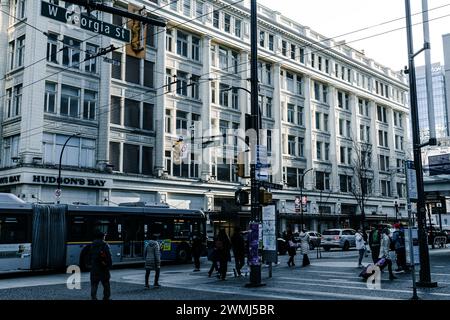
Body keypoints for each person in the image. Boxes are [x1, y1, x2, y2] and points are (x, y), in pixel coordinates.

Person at [89, 230, 112, 300]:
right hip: (103, 268)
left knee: (94, 284)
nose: (105, 237)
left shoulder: (92, 245)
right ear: (102, 237)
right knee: (106, 284)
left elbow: (90, 256)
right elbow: (109, 256)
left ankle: (93, 297)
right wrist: (109, 265)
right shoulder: (105, 245)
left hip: (94, 268)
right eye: (104, 236)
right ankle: (106, 297)